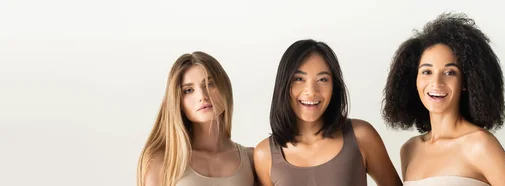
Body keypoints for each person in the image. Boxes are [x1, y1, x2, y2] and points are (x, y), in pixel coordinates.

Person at [382, 13, 505, 186]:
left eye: (450, 72)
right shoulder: (409, 150)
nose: (436, 83)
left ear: (465, 82)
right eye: (427, 72)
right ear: (414, 80)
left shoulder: (479, 144)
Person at [254, 39, 403, 186]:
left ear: (334, 87)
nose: (311, 91)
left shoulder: (361, 135)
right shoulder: (264, 154)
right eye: (299, 79)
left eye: (322, 79)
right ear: (284, 85)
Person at [137, 51, 257, 186]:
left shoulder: (252, 159)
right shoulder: (162, 161)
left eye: (209, 84)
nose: (202, 96)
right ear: (178, 101)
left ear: (225, 87)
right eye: (188, 90)